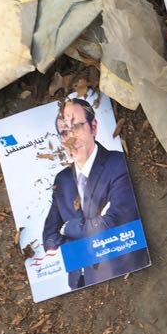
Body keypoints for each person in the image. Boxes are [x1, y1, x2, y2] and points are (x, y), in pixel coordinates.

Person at [41, 98, 149, 290]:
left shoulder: (117, 163)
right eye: (65, 132)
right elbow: (49, 237)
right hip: (79, 282)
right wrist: (93, 234)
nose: (71, 138)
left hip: (124, 273)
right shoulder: (62, 179)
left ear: (93, 127)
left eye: (77, 127)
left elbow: (113, 222)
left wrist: (68, 229)